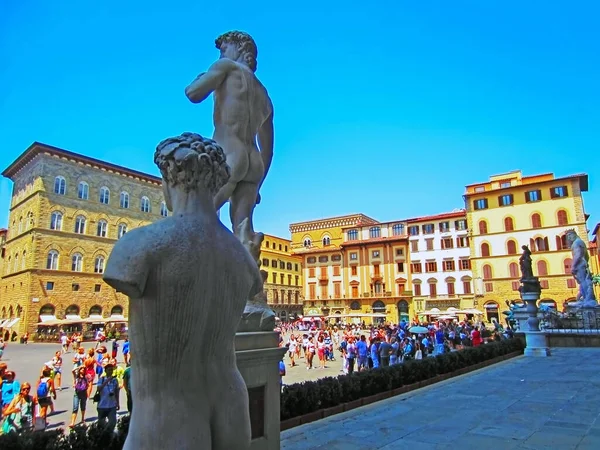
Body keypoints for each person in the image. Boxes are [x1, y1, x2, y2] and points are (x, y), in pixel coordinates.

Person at [103, 133, 260, 449]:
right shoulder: (243, 259)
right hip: (233, 408)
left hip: (167, 416)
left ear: (168, 179)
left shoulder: (139, 246)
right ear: (216, 183)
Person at [185, 31, 274, 264]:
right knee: (244, 232)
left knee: (198, 213)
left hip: (228, 153)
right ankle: (248, 293)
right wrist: (259, 184)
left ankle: (195, 272)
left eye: (225, 48)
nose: (222, 53)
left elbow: (193, 94)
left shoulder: (226, 67)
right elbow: (269, 149)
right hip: (254, 162)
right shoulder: (265, 96)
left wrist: (201, 77)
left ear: (240, 49)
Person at [94, 363, 119, 430]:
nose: (110, 371)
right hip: (102, 406)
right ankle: (103, 436)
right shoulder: (101, 379)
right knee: (101, 424)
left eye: (111, 370)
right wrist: (106, 381)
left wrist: (117, 402)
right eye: (109, 370)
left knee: (112, 423)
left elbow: (117, 392)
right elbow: (98, 389)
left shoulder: (115, 380)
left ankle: (108, 434)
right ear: (105, 371)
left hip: (112, 405)